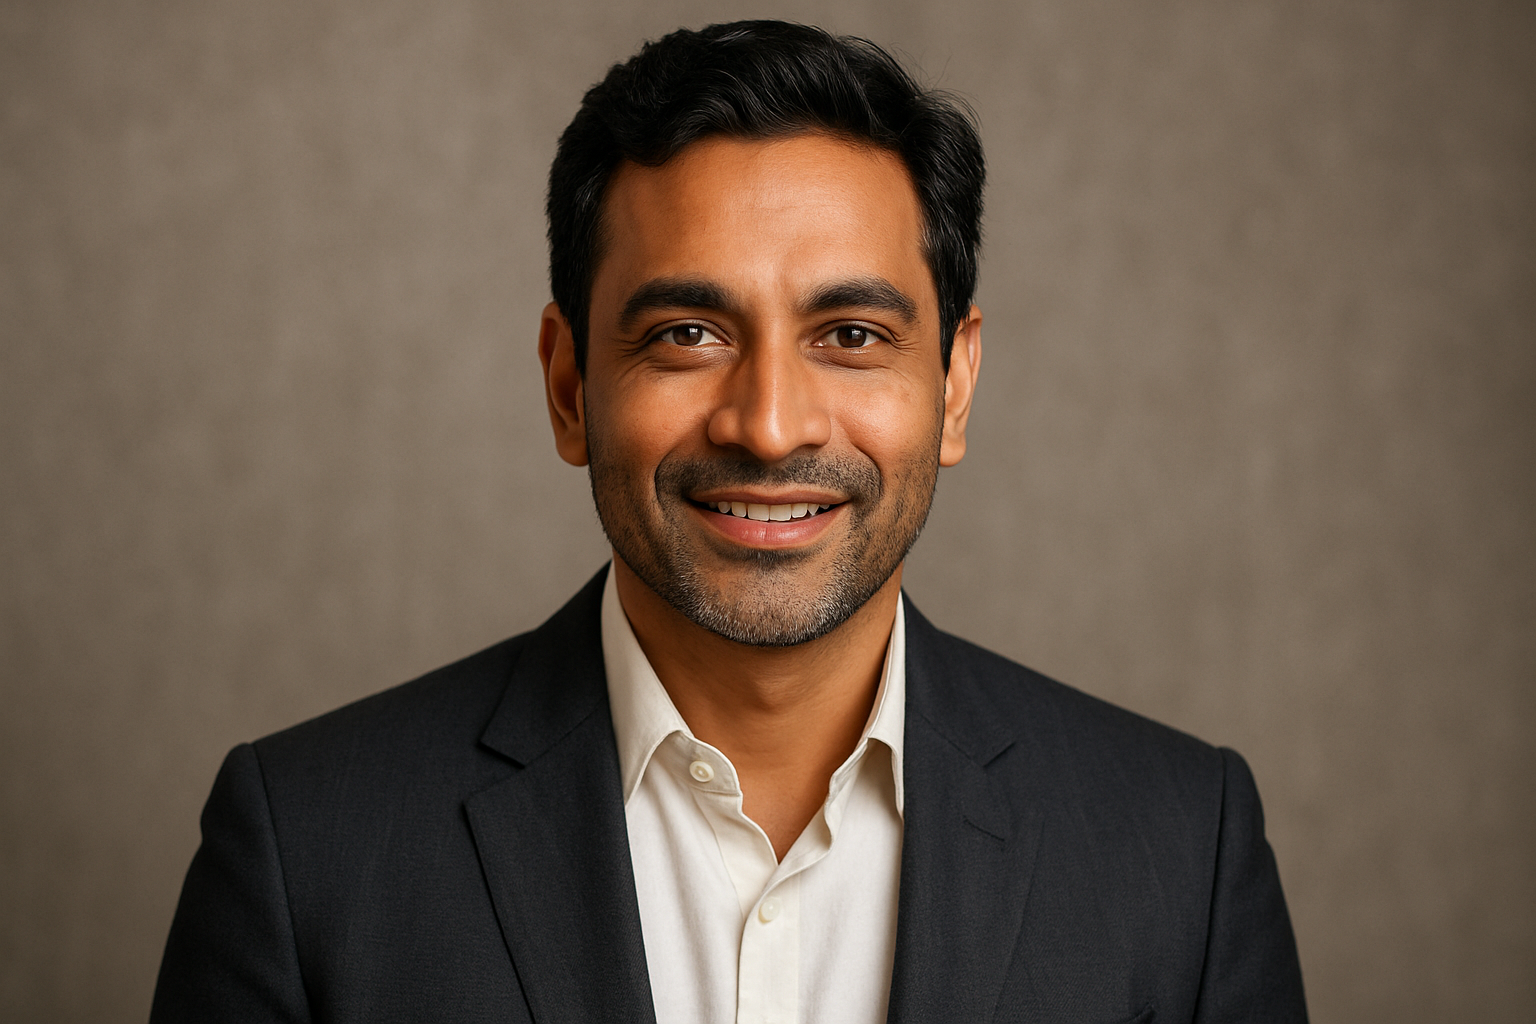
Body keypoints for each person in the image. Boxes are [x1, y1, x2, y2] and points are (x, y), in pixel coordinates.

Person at [150, 20, 1307, 1024]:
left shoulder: (1179, 851)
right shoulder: (307, 854)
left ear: (953, 387)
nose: (766, 424)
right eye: (686, 335)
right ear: (568, 386)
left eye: (851, 334)